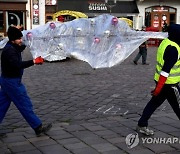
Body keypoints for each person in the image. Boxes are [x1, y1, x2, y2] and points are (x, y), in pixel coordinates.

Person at [0, 26, 52, 137]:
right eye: (19, 39)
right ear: (13, 40)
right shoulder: (9, 51)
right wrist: (33, 61)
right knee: (24, 104)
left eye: (21, 38)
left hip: (7, 81)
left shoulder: (12, 46)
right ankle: (38, 127)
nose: (21, 40)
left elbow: (21, 46)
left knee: (1, 105)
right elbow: (17, 65)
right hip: (12, 83)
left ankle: (37, 126)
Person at [136, 24, 180, 136]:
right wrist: (158, 88)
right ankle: (142, 124)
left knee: (154, 103)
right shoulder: (173, 49)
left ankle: (142, 124)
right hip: (169, 84)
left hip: (160, 81)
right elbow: (166, 70)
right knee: (178, 106)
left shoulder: (165, 42)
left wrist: (158, 87)